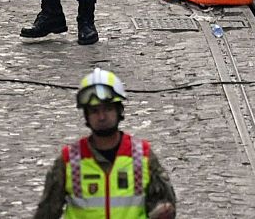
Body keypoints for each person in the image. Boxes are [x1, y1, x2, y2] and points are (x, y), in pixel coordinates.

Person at [33, 69, 176, 219]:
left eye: (108, 109)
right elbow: (46, 212)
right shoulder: (70, 160)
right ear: (86, 115)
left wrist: (161, 211)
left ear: (119, 110)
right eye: (94, 111)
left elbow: (165, 202)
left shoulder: (142, 156)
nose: (101, 117)